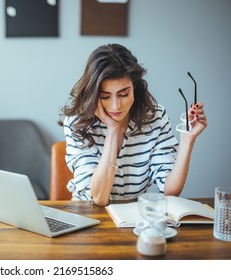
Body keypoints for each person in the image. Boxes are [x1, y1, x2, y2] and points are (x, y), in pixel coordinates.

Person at [59, 44, 207, 206]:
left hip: (134, 219)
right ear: (93, 95)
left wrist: (187, 140)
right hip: (90, 217)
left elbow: (170, 191)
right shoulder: (76, 123)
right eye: (105, 96)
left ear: (135, 88)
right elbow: (99, 198)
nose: (116, 106)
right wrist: (113, 130)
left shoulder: (155, 117)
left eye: (123, 94)